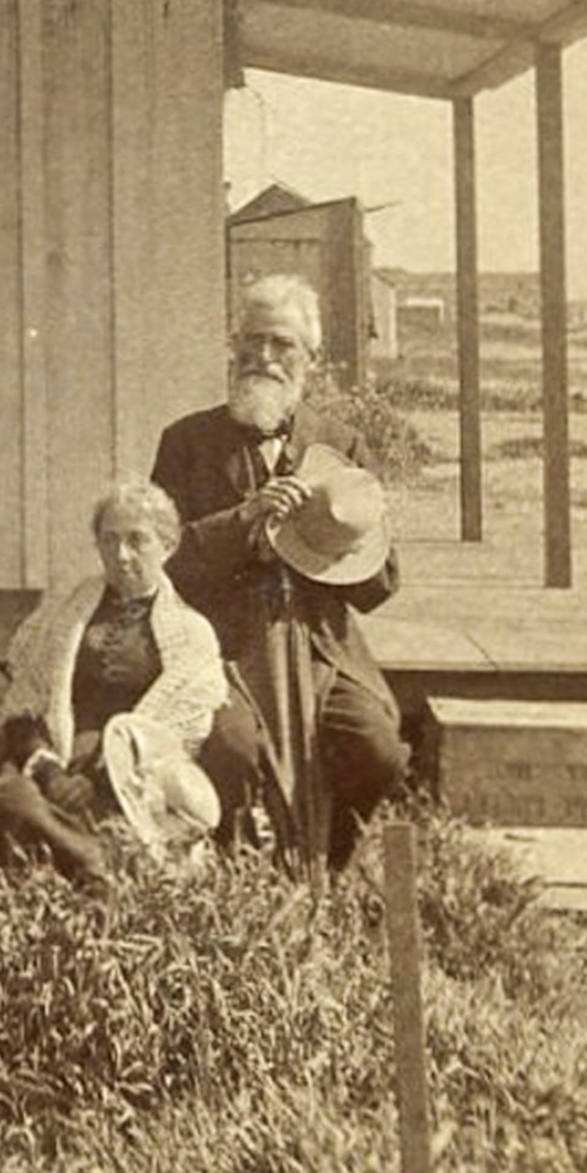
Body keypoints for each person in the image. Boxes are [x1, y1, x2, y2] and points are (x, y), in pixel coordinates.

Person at [148, 272, 407, 863]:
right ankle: (241, 871)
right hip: (222, 642)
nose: (264, 357)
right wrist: (245, 522)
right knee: (233, 748)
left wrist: (331, 535)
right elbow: (164, 562)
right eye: (253, 340)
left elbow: (382, 582)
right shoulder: (188, 441)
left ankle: (328, 861)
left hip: (319, 644)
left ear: (310, 360)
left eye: (282, 345)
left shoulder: (341, 445)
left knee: (378, 749)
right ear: (233, 347)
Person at [0, 482, 241, 884]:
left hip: (136, 781)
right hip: (58, 766)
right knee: (6, 798)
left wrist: (98, 777)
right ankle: (92, 860)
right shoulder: (63, 613)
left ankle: (85, 860)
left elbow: (178, 741)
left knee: (125, 824)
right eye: (109, 540)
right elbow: (21, 707)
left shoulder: (192, 633)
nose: (121, 555)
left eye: (137, 541)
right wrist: (50, 773)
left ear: (168, 546)